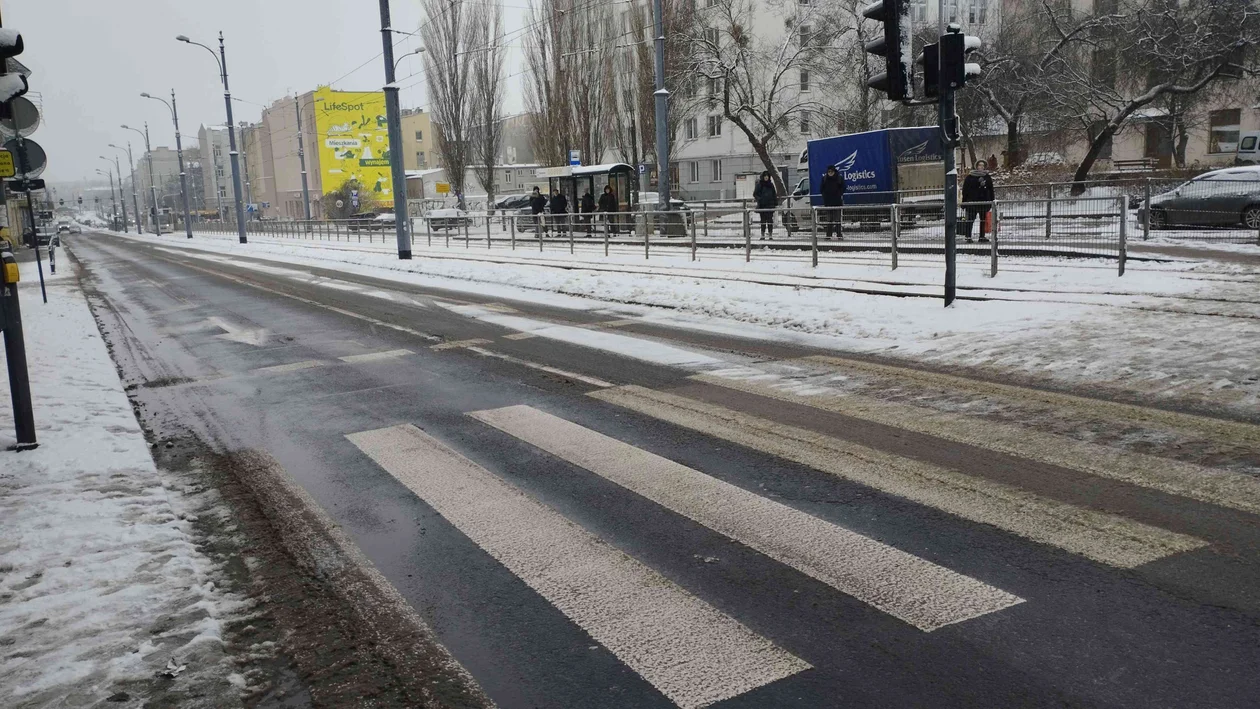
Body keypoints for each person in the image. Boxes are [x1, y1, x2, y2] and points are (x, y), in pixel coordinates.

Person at [961, 160, 996, 243]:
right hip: (972, 201)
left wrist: (991, 200)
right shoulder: (970, 177)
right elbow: (965, 190)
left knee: (983, 220)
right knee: (970, 219)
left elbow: (991, 189)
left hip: (984, 201)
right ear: (976, 166)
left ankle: (982, 236)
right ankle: (968, 236)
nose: (981, 167)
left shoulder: (987, 177)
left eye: (983, 165)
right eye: (980, 165)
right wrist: (964, 202)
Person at [818, 164, 846, 240]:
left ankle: (839, 234)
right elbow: (821, 189)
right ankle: (828, 235)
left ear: (834, 171)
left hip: (837, 202)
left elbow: (844, 187)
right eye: (829, 171)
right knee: (829, 220)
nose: (830, 173)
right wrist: (825, 196)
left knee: (837, 220)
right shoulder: (825, 179)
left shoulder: (839, 178)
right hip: (828, 202)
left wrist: (839, 193)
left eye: (831, 171)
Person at [753, 171, 779, 240]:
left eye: (767, 176)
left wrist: (775, 203)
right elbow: (755, 194)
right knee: (763, 221)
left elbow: (774, 194)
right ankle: (762, 235)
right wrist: (760, 199)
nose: (766, 177)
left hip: (770, 205)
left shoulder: (771, 185)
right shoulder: (760, 185)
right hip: (763, 205)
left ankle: (770, 235)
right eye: (765, 176)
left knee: (770, 221)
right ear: (763, 177)